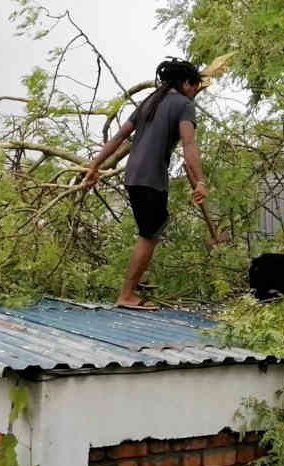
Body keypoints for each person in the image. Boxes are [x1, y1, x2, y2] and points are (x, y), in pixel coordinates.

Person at [84, 58, 208, 309]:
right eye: (195, 88)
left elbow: (120, 136)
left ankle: (136, 285)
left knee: (154, 226)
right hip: (151, 178)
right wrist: (201, 181)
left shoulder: (150, 101)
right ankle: (127, 295)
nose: (195, 93)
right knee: (149, 234)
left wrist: (94, 166)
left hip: (133, 176)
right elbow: (189, 145)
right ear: (186, 84)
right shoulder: (184, 105)